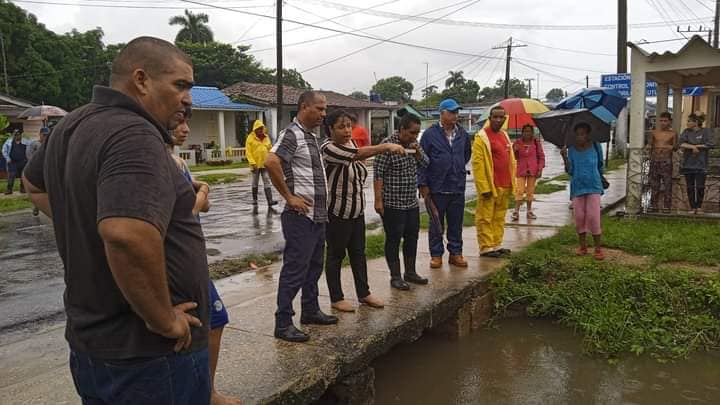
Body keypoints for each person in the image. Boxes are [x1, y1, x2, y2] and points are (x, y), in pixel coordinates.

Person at [22, 37, 211, 404]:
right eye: (180, 85)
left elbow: (33, 183)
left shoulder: (74, 123)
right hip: (151, 356)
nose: (188, 98)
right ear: (141, 80)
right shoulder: (134, 135)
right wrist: (163, 320)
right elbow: (126, 235)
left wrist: (84, 222)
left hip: (95, 345)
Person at [169, 110, 241, 405]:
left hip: (193, 258)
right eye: (179, 124)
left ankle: (206, 390)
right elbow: (187, 213)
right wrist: (199, 199)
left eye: (186, 123)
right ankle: (202, 392)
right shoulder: (162, 164)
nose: (185, 129)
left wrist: (202, 190)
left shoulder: (179, 162)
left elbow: (204, 205)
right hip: (178, 261)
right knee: (206, 323)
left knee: (213, 321)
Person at [264, 91, 338, 343]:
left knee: (314, 266)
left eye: (324, 109)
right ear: (304, 107)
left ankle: (310, 310)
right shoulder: (292, 134)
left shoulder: (312, 138)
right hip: (300, 217)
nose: (323, 114)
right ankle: (283, 322)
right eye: (319, 109)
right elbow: (271, 161)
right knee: (295, 269)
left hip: (318, 216)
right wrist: (289, 197)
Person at [321, 109, 405, 312]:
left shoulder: (352, 143)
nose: (347, 130)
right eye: (341, 127)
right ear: (330, 129)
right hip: (337, 213)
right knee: (335, 255)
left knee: (359, 254)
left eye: (349, 125)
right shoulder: (328, 148)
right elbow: (357, 156)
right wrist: (385, 146)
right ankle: (336, 297)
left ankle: (364, 293)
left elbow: (359, 162)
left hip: (356, 211)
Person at [374, 114, 430, 290]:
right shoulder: (387, 145)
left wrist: (418, 152)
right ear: (402, 129)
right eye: (412, 132)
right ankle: (395, 276)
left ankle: (410, 272)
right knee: (393, 239)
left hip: (410, 202)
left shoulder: (415, 145)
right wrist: (378, 201)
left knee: (412, 237)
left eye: (417, 133)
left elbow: (427, 164)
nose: (414, 136)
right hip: (392, 203)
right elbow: (378, 174)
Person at [418, 98, 471, 269]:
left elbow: (466, 155)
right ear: (442, 113)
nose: (455, 115)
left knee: (456, 223)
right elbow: (421, 161)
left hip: (457, 186)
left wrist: (454, 165)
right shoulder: (429, 134)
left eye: (457, 112)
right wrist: (423, 185)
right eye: (452, 112)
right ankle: (436, 254)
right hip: (436, 187)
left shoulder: (462, 134)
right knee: (436, 224)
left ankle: (455, 253)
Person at [472, 106, 516, 258]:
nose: (498, 120)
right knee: (485, 217)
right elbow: (477, 165)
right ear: (489, 118)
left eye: (501, 117)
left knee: (499, 216)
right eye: (495, 117)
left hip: (505, 184)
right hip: (490, 186)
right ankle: (486, 247)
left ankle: (496, 244)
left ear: (505, 119)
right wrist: (483, 187)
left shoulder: (504, 135)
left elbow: (510, 161)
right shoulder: (481, 137)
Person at [561, 122, 605, 260]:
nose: (580, 137)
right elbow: (570, 171)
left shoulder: (596, 146)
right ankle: (583, 246)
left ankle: (598, 248)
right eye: (578, 134)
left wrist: (601, 178)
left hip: (594, 185)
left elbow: (600, 165)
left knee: (594, 217)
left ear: (588, 135)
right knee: (579, 217)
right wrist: (564, 157)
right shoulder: (572, 149)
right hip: (577, 186)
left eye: (583, 134)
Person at [679, 112, 714, 215]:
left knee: (700, 186)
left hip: (701, 164)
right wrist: (692, 147)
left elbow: (710, 144)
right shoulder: (686, 132)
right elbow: (681, 143)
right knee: (689, 186)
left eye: (689, 121)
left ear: (696, 122)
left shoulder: (705, 131)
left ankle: (699, 206)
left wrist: (697, 146)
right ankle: (692, 207)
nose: (687, 123)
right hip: (688, 164)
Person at [511, 124, 545, 221]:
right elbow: (514, 158)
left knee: (530, 191)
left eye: (529, 131)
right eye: (525, 131)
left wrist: (540, 169)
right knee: (519, 190)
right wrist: (515, 150)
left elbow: (541, 157)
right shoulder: (517, 143)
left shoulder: (536, 143)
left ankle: (529, 211)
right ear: (522, 133)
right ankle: (516, 211)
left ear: (532, 133)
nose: (527, 133)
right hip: (521, 170)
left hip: (533, 170)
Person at [646, 112, 677, 213]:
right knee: (654, 184)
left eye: (665, 121)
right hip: (655, 160)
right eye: (661, 121)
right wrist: (648, 149)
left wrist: (670, 147)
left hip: (666, 161)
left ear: (669, 122)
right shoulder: (654, 132)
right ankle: (653, 204)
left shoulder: (673, 133)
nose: (663, 123)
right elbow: (650, 145)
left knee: (667, 184)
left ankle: (667, 206)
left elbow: (676, 147)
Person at [245, 119, 278, 210]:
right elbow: (248, 152)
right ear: (255, 129)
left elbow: (270, 149)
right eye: (259, 129)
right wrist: (252, 163)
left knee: (267, 180)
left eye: (261, 129)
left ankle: (270, 200)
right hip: (255, 165)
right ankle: (255, 199)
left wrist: (271, 160)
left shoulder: (266, 138)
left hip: (265, 164)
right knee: (255, 182)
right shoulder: (250, 138)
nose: (260, 130)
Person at [27, 127, 49, 215]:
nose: (45, 137)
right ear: (40, 134)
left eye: (47, 135)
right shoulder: (34, 144)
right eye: (44, 135)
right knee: (38, 190)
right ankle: (36, 207)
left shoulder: (49, 144)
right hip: (37, 171)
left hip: (47, 170)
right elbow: (29, 156)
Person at [3, 130, 30, 195]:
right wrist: (7, 158)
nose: (17, 136)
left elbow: (31, 147)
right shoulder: (9, 142)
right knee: (11, 176)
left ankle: (22, 189)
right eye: (16, 134)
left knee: (23, 176)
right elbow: (4, 150)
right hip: (12, 162)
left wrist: (28, 158)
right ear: (13, 135)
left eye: (18, 134)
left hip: (23, 161)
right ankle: (9, 189)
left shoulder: (26, 141)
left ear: (21, 135)